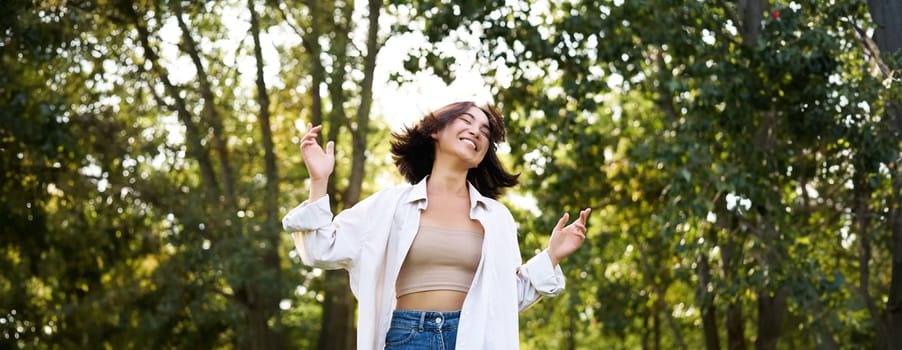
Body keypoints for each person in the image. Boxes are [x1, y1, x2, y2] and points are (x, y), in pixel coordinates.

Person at [282, 101, 591, 349]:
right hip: (407, 337)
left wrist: (552, 255)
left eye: (485, 131)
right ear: (435, 131)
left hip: (474, 338)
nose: (477, 132)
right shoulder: (389, 206)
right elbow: (320, 249)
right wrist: (319, 180)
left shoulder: (496, 218)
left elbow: (505, 299)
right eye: (467, 121)